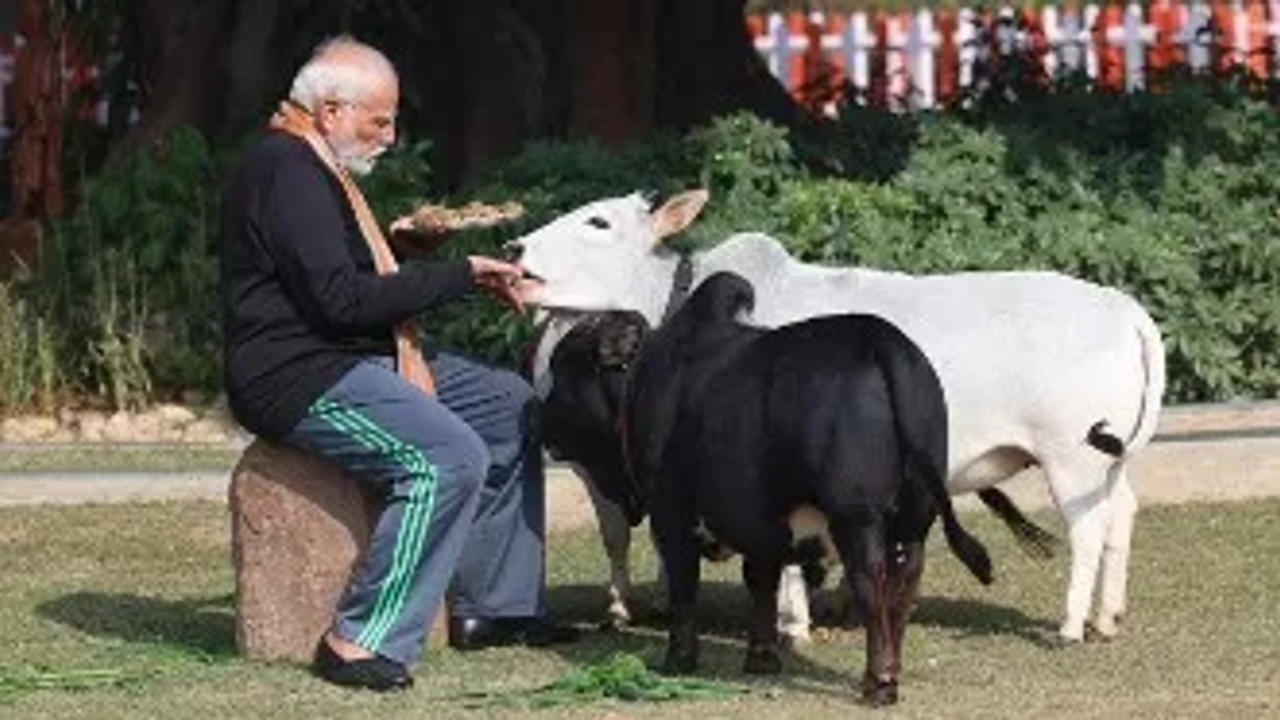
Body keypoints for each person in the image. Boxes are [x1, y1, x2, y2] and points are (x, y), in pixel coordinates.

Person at [218, 36, 572, 692]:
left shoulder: (317, 166)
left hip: (357, 353)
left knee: (507, 403)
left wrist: (403, 246)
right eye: (379, 120)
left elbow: (339, 277)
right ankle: (358, 641)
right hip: (298, 375)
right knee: (446, 459)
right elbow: (343, 301)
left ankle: (494, 608)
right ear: (330, 112)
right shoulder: (284, 170)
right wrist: (458, 273)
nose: (389, 135)